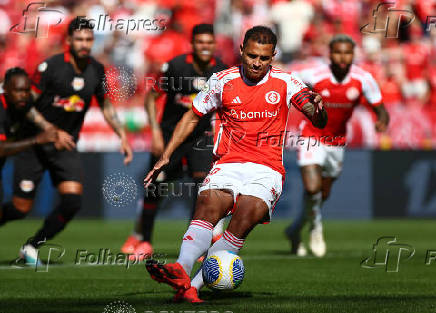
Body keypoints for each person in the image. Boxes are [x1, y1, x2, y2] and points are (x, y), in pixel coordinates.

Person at [143, 26, 327, 303]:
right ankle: (181, 269)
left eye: (264, 58)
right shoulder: (221, 81)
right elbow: (192, 116)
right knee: (208, 206)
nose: (256, 63)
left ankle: (190, 286)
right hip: (228, 163)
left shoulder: (288, 82)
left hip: (267, 170)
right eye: (251, 55)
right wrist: (167, 153)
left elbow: (315, 116)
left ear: (273, 56)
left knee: (242, 219)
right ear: (241, 50)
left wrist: (318, 108)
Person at [8, 18, 133, 265]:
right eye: (79, 39)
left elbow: (106, 105)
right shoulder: (51, 67)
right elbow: (27, 105)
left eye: (89, 39)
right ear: (68, 41)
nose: (85, 44)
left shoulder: (96, 70)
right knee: (20, 208)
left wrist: (122, 134)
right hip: (34, 142)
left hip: (64, 145)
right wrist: (49, 129)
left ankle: (32, 246)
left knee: (73, 201)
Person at [121, 24, 227, 260]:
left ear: (214, 44)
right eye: (200, 43)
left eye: (209, 43)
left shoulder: (221, 71)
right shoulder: (177, 66)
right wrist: (156, 132)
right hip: (170, 136)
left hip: (201, 137)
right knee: (156, 188)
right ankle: (144, 240)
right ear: (192, 44)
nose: (205, 47)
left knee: (202, 189)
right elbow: (151, 97)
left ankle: (196, 243)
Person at [284, 34, 389, 257]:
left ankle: (294, 230)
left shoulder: (363, 79)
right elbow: (286, 82)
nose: (343, 57)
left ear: (353, 55)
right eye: (338, 52)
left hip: (337, 142)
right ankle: (316, 228)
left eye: (347, 52)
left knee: (322, 194)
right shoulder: (314, 74)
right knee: (312, 188)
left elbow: (379, 107)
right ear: (329, 54)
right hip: (311, 136)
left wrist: (382, 120)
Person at [0, 68, 59, 216]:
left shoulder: (21, 104)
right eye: (18, 91)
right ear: (5, 89)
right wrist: (37, 140)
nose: (23, 95)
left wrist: (48, 127)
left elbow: (31, 111)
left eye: (26, 91)